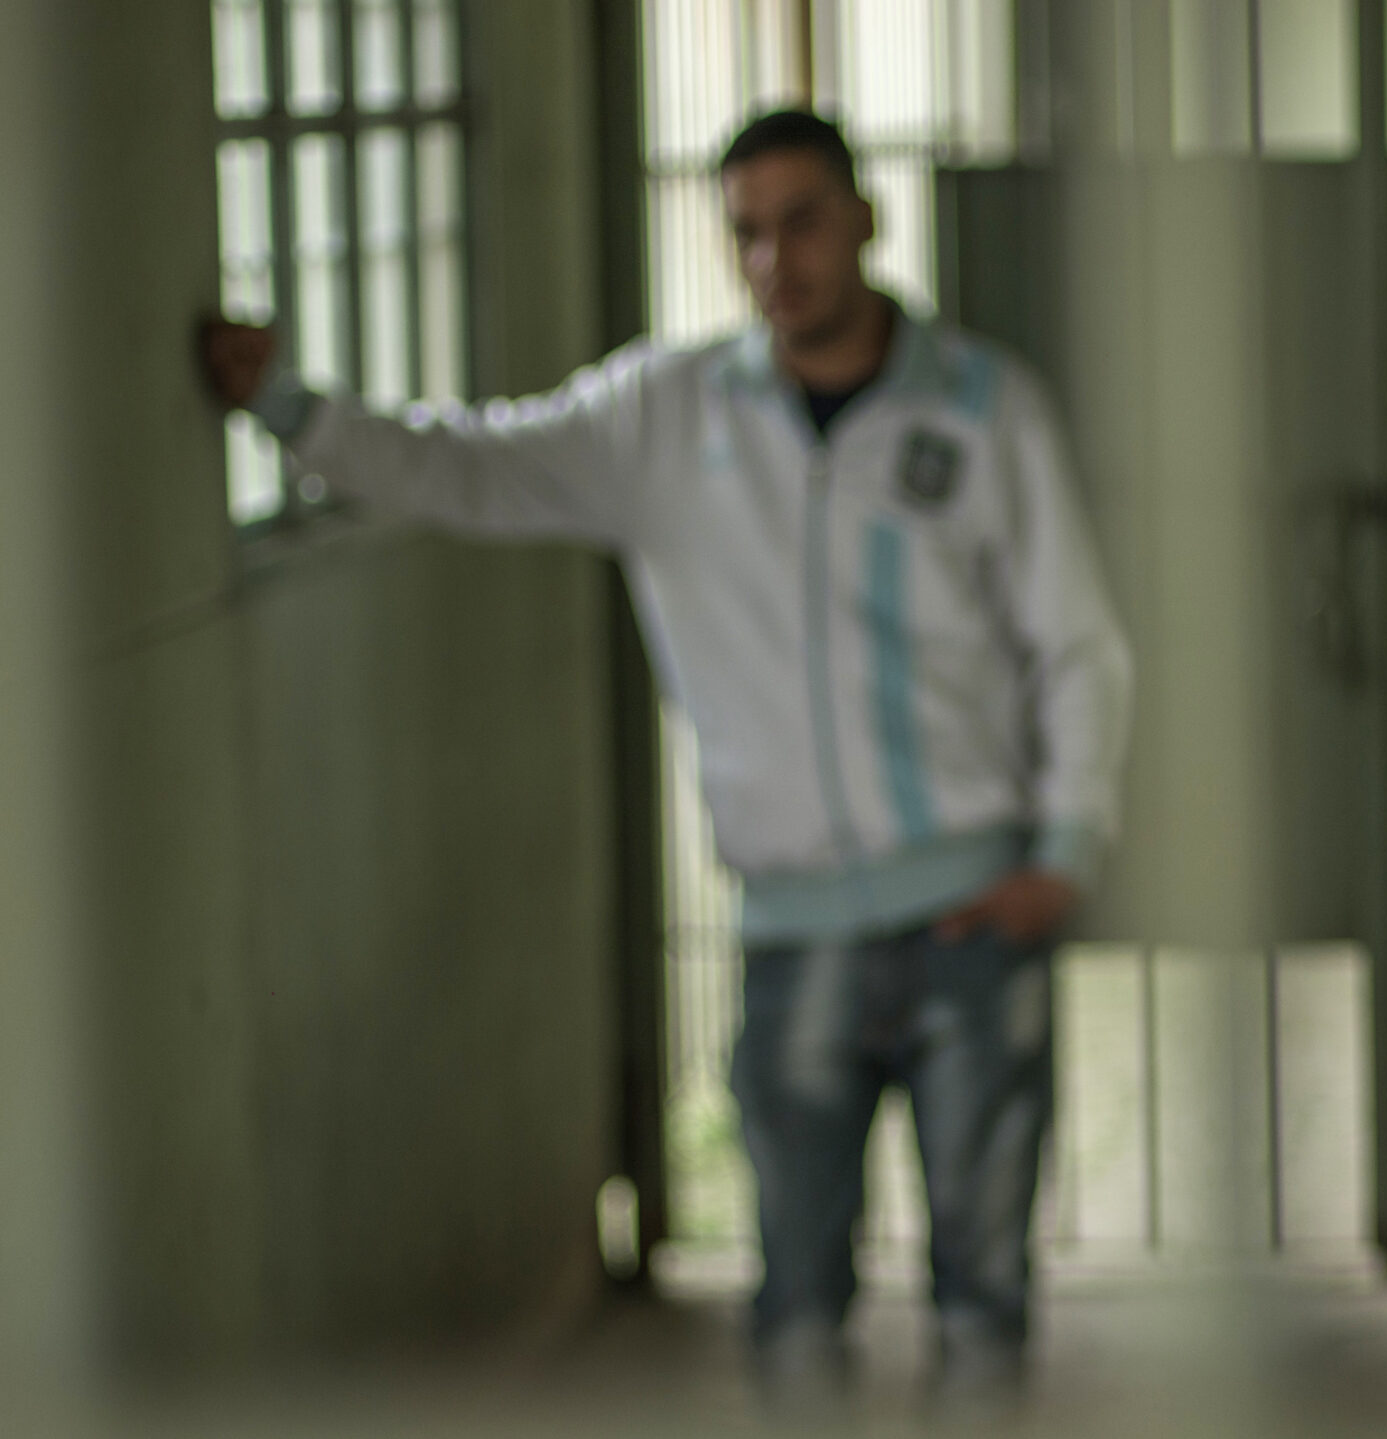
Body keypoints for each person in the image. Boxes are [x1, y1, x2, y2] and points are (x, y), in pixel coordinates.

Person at [201, 110, 1133, 1418]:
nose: (774, 261)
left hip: (973, 926)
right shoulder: (667, 416)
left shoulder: (985, 410)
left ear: (866, 221)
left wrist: (1065, 852)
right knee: (794, 1318)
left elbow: (1076, 644)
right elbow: (470, 467)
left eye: (802, 222)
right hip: (797, 938)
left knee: (984, 1311)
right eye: (746, 232)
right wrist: (290, 410)